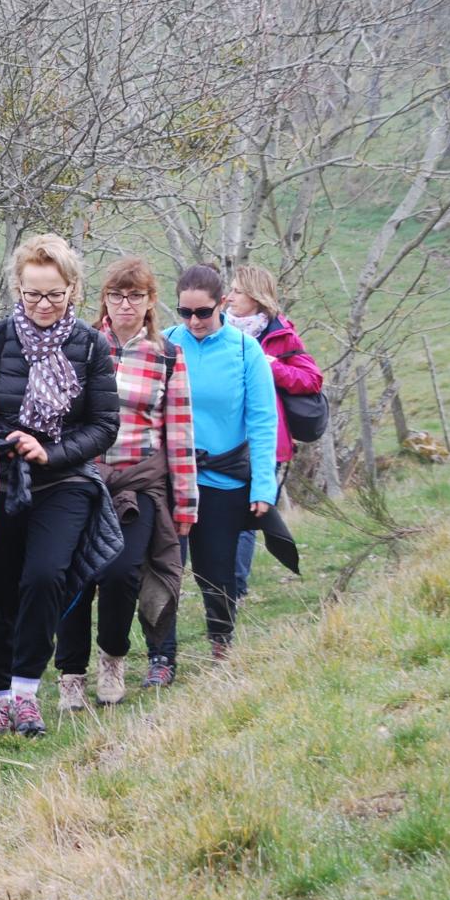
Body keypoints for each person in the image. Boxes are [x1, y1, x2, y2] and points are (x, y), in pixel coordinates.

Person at [0, 234, 119, 737]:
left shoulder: (91, 346)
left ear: (73, 289)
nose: (43, 304)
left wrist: (51, 452)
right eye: (33, 294)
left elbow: (104, 425)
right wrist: (10, 441)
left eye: (54, 294)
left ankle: (26, 692)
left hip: (66, 480)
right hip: (2, 478)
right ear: (18, 288)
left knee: (45, 577)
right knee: (2, 587)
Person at [57, 258, 198, 701]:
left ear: (150, 301)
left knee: (121, 573)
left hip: (138, 484)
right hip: (81, 478)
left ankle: (113, 659)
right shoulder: (79, 345)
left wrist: (186, 503)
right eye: (116, 295)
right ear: (104, 298)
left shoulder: (167, 357)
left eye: (135, 296)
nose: (125, 304)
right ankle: (70, 673)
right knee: (74, 575)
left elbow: (179, 433)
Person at [163, 264, 277, 664]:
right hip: (171, 479)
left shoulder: (247, 351)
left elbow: (263, 422)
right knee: (165, 571)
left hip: (223, 480)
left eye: (203, 312)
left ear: (222, 305)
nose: (193, 321)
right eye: (185, 312)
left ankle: (221, 644)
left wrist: (264, 486)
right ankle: (163, 656)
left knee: (217, 572)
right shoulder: (164, 346)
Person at [223, 264, 321, 605]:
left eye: (236, 290)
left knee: (251, 514)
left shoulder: (282, 334)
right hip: (224, 441)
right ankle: (221, 582)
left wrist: (270, 365)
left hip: (269, 440)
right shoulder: (218, 330)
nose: (230, 296)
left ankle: (234, 588)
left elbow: (311, 380)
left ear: (255, 296)